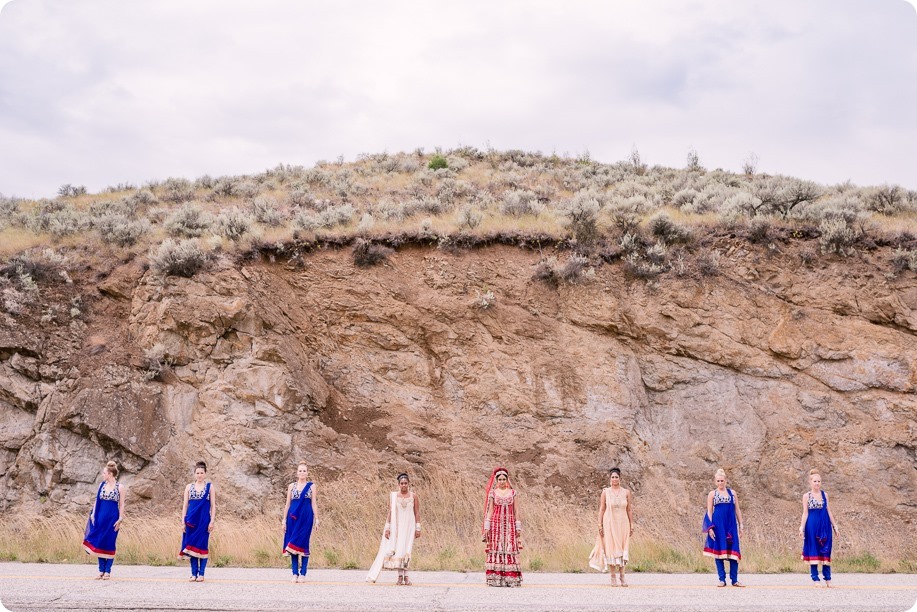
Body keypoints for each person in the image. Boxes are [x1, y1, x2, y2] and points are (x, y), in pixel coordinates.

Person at [367, 473, 421, 585]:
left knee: (407, 550)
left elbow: (416, 512)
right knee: (399, 551)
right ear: (398, 485)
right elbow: (390, 512)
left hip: (409, 527)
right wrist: (387, 528)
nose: (404, 485)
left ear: (409, 484)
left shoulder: (413, 496)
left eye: (406, 483)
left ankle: (407, 577)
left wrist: (418, 528)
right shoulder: (394, 496)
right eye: (402, 483)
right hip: (398, 527)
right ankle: (400, 577)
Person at [588, 467, 634, 586]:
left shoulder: (626, 492)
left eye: (616, 477)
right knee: (611, 549)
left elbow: (629, 510)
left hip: (623, 524)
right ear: (610, 479)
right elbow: (602, 509)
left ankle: (622, 577)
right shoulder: (606, 492)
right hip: (609, 524)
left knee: (623, 549)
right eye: (612, 477)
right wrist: (600, 525)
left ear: (620, 478)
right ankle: (613, 576)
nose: (614, 479)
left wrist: (631, 524)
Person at [82, 461, 124, 580]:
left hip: (112, 519)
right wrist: (93, 514)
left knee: (110, 542)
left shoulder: (120, 487)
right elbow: (97, 501)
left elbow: (121, 505)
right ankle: (101, 570)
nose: (103, 474)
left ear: (110, 474)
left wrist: (120, 518)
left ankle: (108, 571)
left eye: (104, 473)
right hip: (100, 517)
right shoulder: (102, 485)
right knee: (99, 541)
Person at [703, 468, 744, 587]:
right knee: (719, 552)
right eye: (718, 481)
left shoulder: (732, 493)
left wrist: (741, 525)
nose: (720, 483)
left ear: (726, 481)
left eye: (722, 480)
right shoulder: (712, 494)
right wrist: (710, 527)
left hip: (731, 525)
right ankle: (722, 579)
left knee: (733, 552)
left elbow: (737, 510)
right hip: (718, 526)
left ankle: (734, 580)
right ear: (715, 481)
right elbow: (709, 512)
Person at [482, 467, 523, 587]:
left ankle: (510, 578)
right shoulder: (493, 493)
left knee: (509, 546)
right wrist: (487, 527)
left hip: (509, 523)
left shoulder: (513, 493)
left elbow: (516, 511)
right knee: (497, 546)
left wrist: (518, 526)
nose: (502, 481)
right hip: (496, 524)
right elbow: (489, 511)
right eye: (499, 479)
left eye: (504, 479)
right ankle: (496, 577)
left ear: (507, 480)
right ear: (496, 480)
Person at [800, 468, 838, 587]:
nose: (817, 483)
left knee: (826, 549)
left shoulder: (824, 495)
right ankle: (815, 577)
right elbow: (805, 513)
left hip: (825, 525)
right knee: (814, 549)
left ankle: (828, 578)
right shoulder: (806, 496)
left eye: (819, 481)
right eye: (815, 481)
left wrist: (835, 526)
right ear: (810, 482)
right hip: (812, 525)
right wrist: (801, 527)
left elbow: (829, 511)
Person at [282, 462, 319, 583]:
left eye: (304, 471)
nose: (302, 473)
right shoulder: (291, 486)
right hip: (292, 518)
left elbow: (314, 503)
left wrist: (317, 519)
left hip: (306, 518)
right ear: (297, 473)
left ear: (307, 473)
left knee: (303, 543)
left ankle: (303, 573)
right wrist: (283, 520)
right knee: (292, 543)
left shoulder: (311, 486)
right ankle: (294, 573)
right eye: (300, 471)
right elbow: (288, 504)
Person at [179, 461, 215, 582]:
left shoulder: (210, 487)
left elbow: (213, 506)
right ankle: (193, 573)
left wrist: (212, 521)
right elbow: (184, 505)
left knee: (202, 545)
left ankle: (202, 574)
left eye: (201, 473)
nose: (199, 475)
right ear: (194, 474)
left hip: (204, 521)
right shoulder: (189, 487)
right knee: (191, 546)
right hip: (191, 521)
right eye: (197, 473)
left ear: (205, 474)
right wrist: (182, 521)